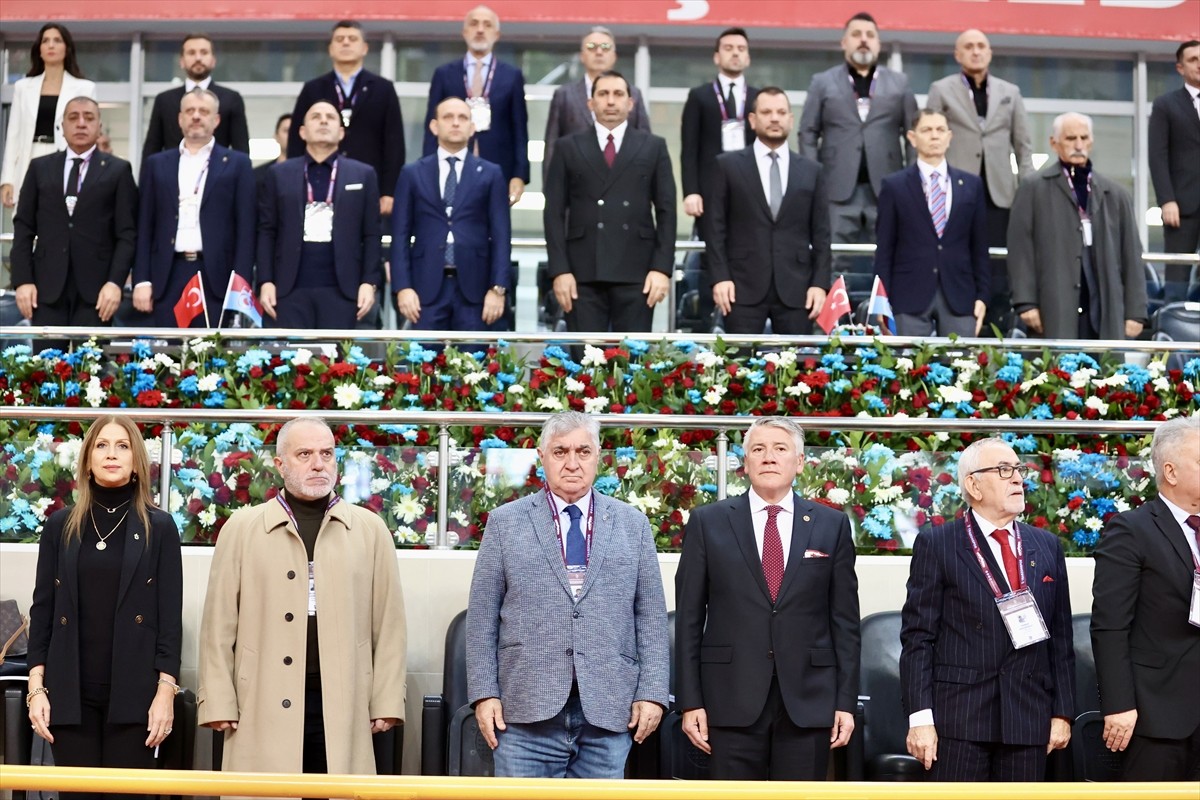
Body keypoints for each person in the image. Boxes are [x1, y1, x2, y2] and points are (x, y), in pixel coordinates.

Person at [197, 416, 407, 775]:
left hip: (344, 700)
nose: (318, 464)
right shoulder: (242, 529)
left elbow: (389, 624)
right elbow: (218, 624)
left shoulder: (369, 530)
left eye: (326, 454)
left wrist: (387, 699)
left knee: (337, 790)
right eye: (304, 454)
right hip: (259, 699)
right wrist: (217, 699)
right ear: (280, 464)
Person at [467, 411, 669, 778]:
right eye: (560, 452)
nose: (572, 463)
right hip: (523, 714)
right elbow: (482, 617)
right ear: (541, 456)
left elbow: (651, 618)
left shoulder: (632, 524)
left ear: (598, 457)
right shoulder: (505, 522)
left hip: (609, 711)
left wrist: (652, 692)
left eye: (583, 451)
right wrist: (484, 694)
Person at [675, 417, 860, 780]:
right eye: (758, 449)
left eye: (780, 449)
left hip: (809, 700)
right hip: (729, 699)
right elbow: (689, 620)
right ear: (745, 463)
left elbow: (845, 622)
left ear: (800, 462)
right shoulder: (708, 522)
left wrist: (845, 702)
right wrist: (690, 701)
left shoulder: (831, 525)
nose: (769, 457)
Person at [26, 415, 183, 797]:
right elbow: (43, 611)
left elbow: (169, 619)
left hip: (136, 698)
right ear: (87, 460)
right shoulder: (60, 526)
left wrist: (165, 693)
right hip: (69, 695)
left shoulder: (160, 527)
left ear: (137, 461)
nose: (111, 454)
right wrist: (36, 688)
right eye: (101, 445)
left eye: (122, 446)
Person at [900, 437, 1074, 781]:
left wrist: (1062, 713)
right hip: (959, 718)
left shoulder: (1046, 545)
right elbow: (918, 638)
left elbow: (1061, 637)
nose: (1018, 479)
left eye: (1019, 470)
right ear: (973, 485)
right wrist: (920, 719)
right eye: (1004, 470)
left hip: (1028, 717)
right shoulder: (938, 544)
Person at [1091, 415, 1200, 780]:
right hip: (1157, 713)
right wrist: (1119, 705)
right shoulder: (1131, 530)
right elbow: (1109, 626)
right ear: (1170, 471)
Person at [543, 70, 676, 333]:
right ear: (590, 103)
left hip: (638, 270)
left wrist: (662, 269)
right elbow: (553, 212)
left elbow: (667, 211)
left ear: (631, 102)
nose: (611, 101)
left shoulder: (653, 146)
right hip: (581, 271)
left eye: (618, 94)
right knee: (585, 356)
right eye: (603, 94)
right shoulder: (568, 147)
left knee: (633, 356)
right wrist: (559, 271)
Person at [926, 29, 1034, 334]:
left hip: (1000, 195)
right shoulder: (941, 90)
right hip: (955, 194)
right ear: (957, 54)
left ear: (990, 52)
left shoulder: (1010, 92)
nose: (976, 51)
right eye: (969, 46)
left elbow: (1023, 146)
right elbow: (929, 139)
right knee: (958, 260)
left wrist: (1027, 193)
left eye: (981, 46)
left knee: (999, 267)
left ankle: (996, 329)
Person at [1007, 112, 1147, 340]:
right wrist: (1026, 302)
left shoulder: (1116, 194)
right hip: (1054, 303)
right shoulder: (1033, 188)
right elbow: (1020, 249)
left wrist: (1136, 312)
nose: (1079, 145)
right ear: (1054, 143)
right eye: (1071, 138)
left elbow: (1131, 254)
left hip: (1104, 304)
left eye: (1084, 138)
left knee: (1106, 362)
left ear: (1091, 141)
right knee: (1057, 361)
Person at [706, 87, 830, 335]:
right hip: (740, 287)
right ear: (752, 120)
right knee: (739, 360)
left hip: (797, 289)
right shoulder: (727, 166)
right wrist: (720, 277)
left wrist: (820, 284)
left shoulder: (811, 170)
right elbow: (715, 228)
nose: (774, 118)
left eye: (781, 112)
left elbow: (822, 234)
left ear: (791, 120)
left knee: (798, 360)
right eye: (766, 112)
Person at [800, 12, 917, 263]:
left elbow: (912, 136)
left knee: (889, 259)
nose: (863, 40)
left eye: (870, 35)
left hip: (886, 188)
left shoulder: (900, 83)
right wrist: (814, 178)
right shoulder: (822, 82)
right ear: (844, 42)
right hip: (835, 189)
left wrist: (911, 180)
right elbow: (808, 132)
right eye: (856, 34)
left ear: (878, 43)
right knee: (833, 260)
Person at [133, 88, 256, 327]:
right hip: (167, 275)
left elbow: (246, 228)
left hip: (217, 277)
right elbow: (145, 225)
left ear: (216, 120)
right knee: (169, 348)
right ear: (180, 119)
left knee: (213, 348)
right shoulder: (157, 164)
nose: (196, 116)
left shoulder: (237, 164)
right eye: (190, 111)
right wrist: (142, 280)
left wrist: (240, 286)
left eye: (204, 111)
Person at [12, 97, 137, 327]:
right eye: (73, 117)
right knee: (46, 352)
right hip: (45, 290)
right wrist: (22, 280)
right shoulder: (40, 168)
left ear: (99, 126)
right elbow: (23, 227)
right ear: (62, 126)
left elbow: (127, 234)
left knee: (90, 353)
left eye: (89, 118)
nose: (81, 123)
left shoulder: (118, 170)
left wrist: (115, 283)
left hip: (98, 293)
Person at [259, 101, 381, 329]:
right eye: (315, 117)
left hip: (344, 289)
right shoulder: (279, 174)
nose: (323, 121)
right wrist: (265, 280)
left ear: (341, 133)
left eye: (330, 117)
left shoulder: (363, 174)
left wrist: (369, 282)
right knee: (292, 352)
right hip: (289, 288)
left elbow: (372, 234)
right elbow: (267, 231)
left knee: (339, 353)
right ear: (302, 132)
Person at [392, 97, 511, 331]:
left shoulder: (491, 173)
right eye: (448, 117)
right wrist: (403, 287)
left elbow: (501, 235)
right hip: (424, 289)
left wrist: (498, 288)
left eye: (463, 118)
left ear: (472, 127)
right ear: (434, 126)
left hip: (476, 289)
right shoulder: (412, 173)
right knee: (422, 355)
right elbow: (400, 235)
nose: (456, 123)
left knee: (473, 355)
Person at [873, 108, 989, 337]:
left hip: (960, 295)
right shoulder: (894, 186)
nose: (935, 136)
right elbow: (884, 248)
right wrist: (880, 301)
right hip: (907, 296)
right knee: (909, 361)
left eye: (940, 130)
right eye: (926, 130)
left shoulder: (972, 185)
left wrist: (983, 296)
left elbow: (979, 247)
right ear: (912, 137)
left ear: (949, 136)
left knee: (962, 360)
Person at [287, 20, 405, 217]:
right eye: (340, 39)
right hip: (319, 179)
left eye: (352, 39)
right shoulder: (313, 89)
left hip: (370, 182)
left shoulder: (383, 89)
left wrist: (389, 191)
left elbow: (394, 143)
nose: (346, 43)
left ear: (365, 48)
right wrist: (293, 181)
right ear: (330, 48)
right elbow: (296, 139)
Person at [424, 5, 530, 207]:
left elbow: (519, 128)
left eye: (487, 25)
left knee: (494, 221)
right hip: (450, 163)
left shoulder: (512, 75)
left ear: (496, 34)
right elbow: (431, 125)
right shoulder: (444, 74)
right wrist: (428, 168)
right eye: (474, 24)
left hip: (499, 165)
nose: (480, 30)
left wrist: (519, 175)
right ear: (464, 32)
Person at [0, 23, 95, 211]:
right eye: (45, 41)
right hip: (30, 155)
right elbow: (13, 136)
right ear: (39, 49)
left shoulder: (84, 88)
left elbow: (89, 133)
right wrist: (7, 179)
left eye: (57, 40)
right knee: (27, 215)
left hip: (65, 156)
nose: (51, 45)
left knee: (62, 215)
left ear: (67, 48)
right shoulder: (23, 87)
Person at [543, 27, 651, 181]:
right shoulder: (564, 95)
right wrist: (550, 187)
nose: (599, 52)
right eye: (591, 47)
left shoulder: (633, 94)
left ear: (614, 56)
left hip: (624, 183)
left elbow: (645, 143)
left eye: (605, 47)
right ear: (582, 56)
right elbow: (552, 145)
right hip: (574, 184)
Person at [681, 28, 758, 227]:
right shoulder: (699, 96)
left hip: (750, 187)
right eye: (728, 48)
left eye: (741, 49)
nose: (735, 53)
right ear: (716, 57)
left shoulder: (758, 98)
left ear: (748, 58)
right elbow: (689, 149)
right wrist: (691, 191)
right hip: (709, 189)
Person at [141, 34, 250, 167]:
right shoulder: (164, 100)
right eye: (191, 53)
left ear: (213, 60)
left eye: (204, 52)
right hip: (173, 175)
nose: (198, 58)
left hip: (218, 175)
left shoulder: (231, 99)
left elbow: (241, 149)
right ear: (182, 61)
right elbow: (152, 148)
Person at [1149, 40, 1200, 269]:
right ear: (1180, 68)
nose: (1199, 64)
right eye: (1193, 60)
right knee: (1177, 277)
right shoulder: (1165, 105)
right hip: (1181, 208)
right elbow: (1157, 155)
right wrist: (1167, 200)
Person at [254, 113, 291, 194]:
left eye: (295, 131)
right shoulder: (258, 175)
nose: (291, 135)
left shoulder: (310, 173)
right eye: (286, 131)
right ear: (276, 136)